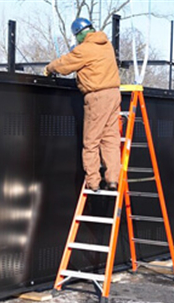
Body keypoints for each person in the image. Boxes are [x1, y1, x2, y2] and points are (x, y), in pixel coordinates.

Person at [43, 18, 121, 191]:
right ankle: (113, 179)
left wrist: (49, 68)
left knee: (91, 141)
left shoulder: (85, 49)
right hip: (114, 94)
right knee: (110, 140)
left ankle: (93, 182)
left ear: (79, 34)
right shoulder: (106, 45)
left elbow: (64, 65)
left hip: (97, 97)